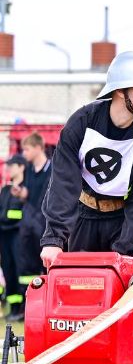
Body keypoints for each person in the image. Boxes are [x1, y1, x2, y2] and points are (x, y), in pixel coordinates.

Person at [40, 52, 133, 266]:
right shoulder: (82, 123)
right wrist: (54, 239)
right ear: (120, 90)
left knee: (121, 293)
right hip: (83, 220)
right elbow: (63, 184)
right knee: (77, 290)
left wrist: (128, 250)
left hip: (124, 223)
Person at [14, 133, 50, 317]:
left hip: (45, 223)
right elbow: (29, 194)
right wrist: (20, 192)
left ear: (38, 147)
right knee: (26, 265)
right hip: (28, 223)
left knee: (46, 265)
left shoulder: (52, 168)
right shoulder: (28, 170)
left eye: (27, 149)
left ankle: (47, 306)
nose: (24, 153)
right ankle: (27, 306)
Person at [0, 156, 24, 320]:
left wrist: (5, 217)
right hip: (4, 236)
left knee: (20, 271)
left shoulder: (26, 189)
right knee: (8, 271)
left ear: (21, 167)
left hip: (19, 234)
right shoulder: (5, 190)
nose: (8, 168)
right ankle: (13, 308)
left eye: (11, 165)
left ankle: (24, 308)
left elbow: (21, 214)